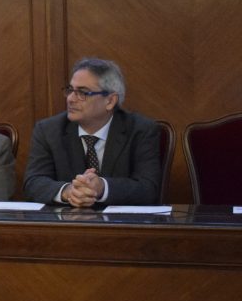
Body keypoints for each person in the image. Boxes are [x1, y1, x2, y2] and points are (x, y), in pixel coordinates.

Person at [23, 58, 161, 207]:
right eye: (70, 90)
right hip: (66, 225)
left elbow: (148, 189)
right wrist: (69, 191)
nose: (70, 99)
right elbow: (33, 182)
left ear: (110, 101)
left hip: (121, 227)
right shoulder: (48, 130)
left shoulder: (141, 130)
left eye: (82, 92)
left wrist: (101, 188)